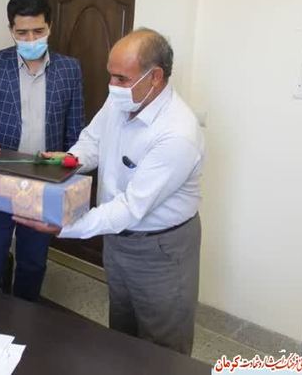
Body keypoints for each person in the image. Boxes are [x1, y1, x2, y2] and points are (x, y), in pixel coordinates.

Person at [15, 28, 204, 355]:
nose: (112, 86)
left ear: (155, 77)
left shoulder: (177, 134)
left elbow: (130, 207)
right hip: (118, 240)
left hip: (160, 249)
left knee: (163, 349)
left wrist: (65, 227)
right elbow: (92, 141)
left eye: (121, 78)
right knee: (121, 334)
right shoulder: (123, 97)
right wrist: (68, 161)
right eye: (110, 75)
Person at [0, 0, 84, 301]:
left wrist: (70, 187)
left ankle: (25, 319)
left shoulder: (69, 69)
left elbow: (75, 134)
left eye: (38, 31)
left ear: (50, 27)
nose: (30, 39)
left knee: (33, 262)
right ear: (11, 29)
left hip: (44, 183)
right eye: (22, 32)